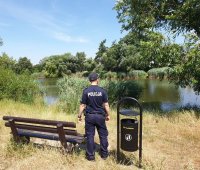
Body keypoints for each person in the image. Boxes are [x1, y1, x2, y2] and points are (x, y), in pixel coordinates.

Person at [78, 72, 110, 161]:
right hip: (100, 116)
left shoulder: (86, 91)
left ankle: (91, 156)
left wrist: (79, 115)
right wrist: (108, 114)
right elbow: (106, 105)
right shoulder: (102, 91)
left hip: (90, 117)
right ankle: (104, 154)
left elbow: (82, 105)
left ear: (90, 80)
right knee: (103, 135)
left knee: (90, 136)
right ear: (97, 79)